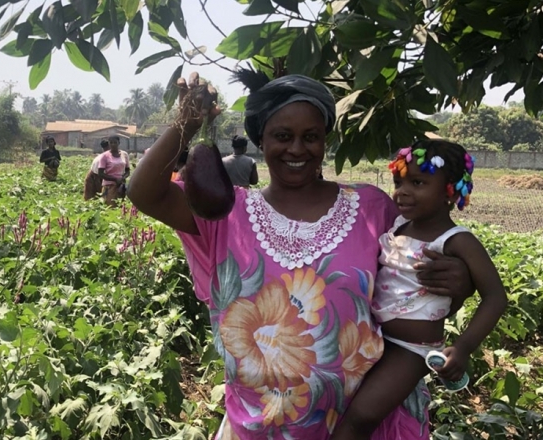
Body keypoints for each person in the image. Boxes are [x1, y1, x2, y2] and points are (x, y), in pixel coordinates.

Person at [126, 70, 475, 439]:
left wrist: (461, 282)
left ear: (325, 140)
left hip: (362, 423)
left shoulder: (371, 208)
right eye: (282, 136)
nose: (296, 148)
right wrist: (187, 123)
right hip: (259, 426)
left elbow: (415, 290)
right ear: (261, 138)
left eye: (311, 137)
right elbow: (144, 192)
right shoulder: (226, 213)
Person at [330, 141, 507, 439]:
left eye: (418, 182)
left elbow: (496, 297)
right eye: (399, 182)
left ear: (450, 190)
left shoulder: (456, 240)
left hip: (411, 350)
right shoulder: (398, 226)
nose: (402, 191)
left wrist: (463, 348)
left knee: (362, 416)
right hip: (374, 337)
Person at [97, 136, 130, 205]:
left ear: (119, 143)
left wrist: (122, 178)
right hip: (109, 187)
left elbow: (127, 171)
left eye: (115, 142)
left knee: (122, 207)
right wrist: (115, 179)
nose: (113, 144)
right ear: (109, 144)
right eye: (111, 143)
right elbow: (100, 173)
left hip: (121, 186)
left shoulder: (124, 154)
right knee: (110, 208)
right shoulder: (104, 156)